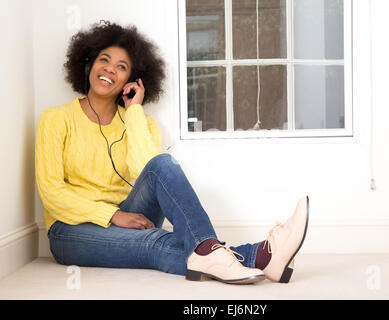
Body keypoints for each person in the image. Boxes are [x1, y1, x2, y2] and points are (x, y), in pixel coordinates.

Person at [35, 21, 309, 285]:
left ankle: (211, 251)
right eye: (104, 60)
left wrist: (133, 112)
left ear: (131, 80)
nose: (110, 70)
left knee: (162, 163)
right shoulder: (56, 119)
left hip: (132, 216)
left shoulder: (141, 122)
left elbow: (147, 171)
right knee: (156, 242)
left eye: (122, 67)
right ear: (88, 65)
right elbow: (51, 192)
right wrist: (112, 216)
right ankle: (260, 255)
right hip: (71, 230)